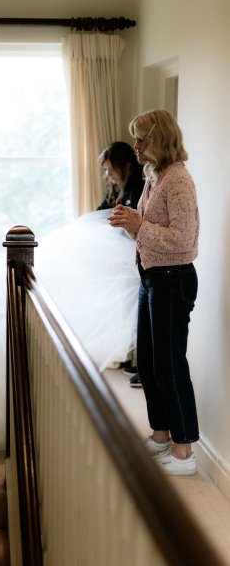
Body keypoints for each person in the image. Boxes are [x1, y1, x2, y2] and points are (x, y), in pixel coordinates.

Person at [109, 109, 199, 476]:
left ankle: (184, 452)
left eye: (142, 138)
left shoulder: (178, 179)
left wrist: (138, 223)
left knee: (170, 365)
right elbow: (152, 228)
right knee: (148, 363)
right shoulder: (154, 175)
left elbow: (184, 240)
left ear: (159, 139)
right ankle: (161, 435)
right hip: (152, 276)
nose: (136, 145)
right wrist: (131, 223)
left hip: (173, 278)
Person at [97, 141, 144, 384]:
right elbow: (101, 212)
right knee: (127, 308)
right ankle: (129, 356)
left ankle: (141, 364)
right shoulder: (117, 190)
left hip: (136, 259)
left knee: (137, 310)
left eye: (110, 169)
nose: (108, 175)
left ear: (125, 166)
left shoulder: (138, 187)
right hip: (122, 260)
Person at [97, 141, 144, 211]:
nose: (108, 174)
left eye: (112, 169)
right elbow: (101, 210)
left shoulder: (142, 186)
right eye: (105, 169)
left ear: (127, 166)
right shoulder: (116, 185)